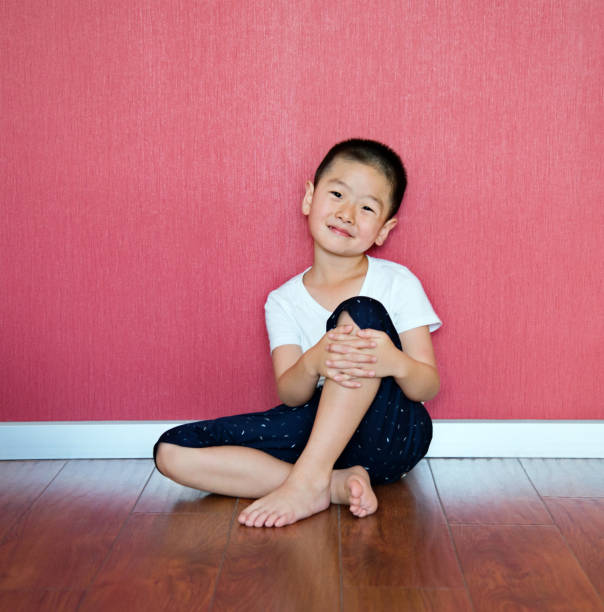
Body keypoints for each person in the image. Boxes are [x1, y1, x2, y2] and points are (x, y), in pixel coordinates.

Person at [154, 138, 442, 528]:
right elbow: (290, 394)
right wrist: (313, 362)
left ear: (383, 229)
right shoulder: (283, 300)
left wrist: (393, 361)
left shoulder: (397, 283)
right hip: (314, 430)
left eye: (367, 207)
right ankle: (334, 485)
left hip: (388, 436)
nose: (347, 213)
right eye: (337, 194)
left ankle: (306, 482)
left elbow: (426, 386)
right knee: (172, 451)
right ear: (309, 198)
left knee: (360, 312)